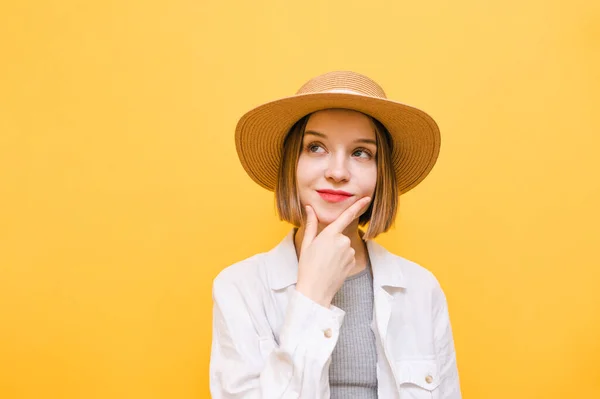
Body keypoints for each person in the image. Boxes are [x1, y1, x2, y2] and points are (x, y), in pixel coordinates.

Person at [209, 71, 461, 398]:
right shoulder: (238, 289)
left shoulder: (421, 289)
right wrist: (311, 296)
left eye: (361, 153)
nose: (337, 173)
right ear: (292, 164)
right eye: (316, 147)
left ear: (380, 174)